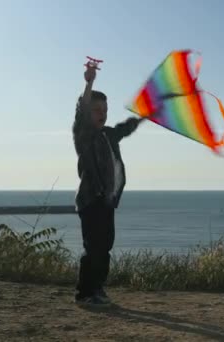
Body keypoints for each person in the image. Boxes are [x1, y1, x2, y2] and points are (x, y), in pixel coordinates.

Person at [72, 61, 143, 305]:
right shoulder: (85, 135)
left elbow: (125, 128)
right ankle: (84, 293)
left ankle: (97, 288)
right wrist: (89, 82)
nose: (102, 113)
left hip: (108, 201)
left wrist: (143, 117)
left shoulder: (108, 134)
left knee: (105, 246)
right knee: (93, 248)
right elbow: (82, 111)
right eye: (96, 109)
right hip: (91, 200)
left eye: (105, 109)